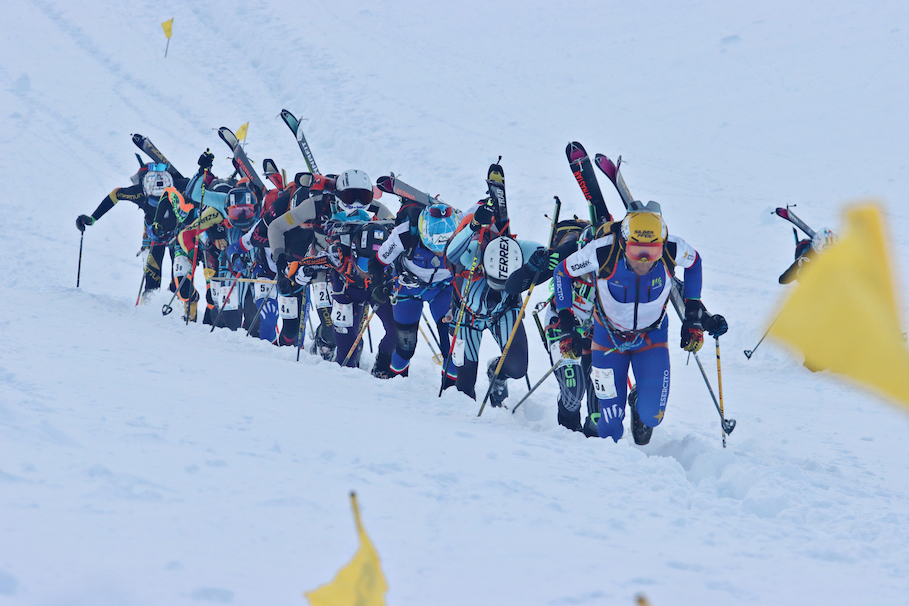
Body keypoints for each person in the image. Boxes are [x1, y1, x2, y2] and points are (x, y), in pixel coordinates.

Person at [553, 202, 726, 444]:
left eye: (653, 253)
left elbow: (694, 263)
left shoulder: (672, 248)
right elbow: (562, 272)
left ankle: (638, 401)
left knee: (653, 415)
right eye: (635, 252)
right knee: (609, 426)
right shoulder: (602, 251)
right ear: (624, 243)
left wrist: (693, 318)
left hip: (651, 339)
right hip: (607, 340)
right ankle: (607, 466)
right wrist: (566, 324)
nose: (643, 262)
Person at [268, 169, 397, 361]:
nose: (356, 204)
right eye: (349, 197)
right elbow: (276, 226)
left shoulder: (375, 209)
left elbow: (396, 232)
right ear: (337, 194)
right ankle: (325, 343)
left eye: (364, 198)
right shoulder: (317, 204)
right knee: (331, 327)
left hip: (356, 270)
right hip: (322, 265)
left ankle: (349, 354)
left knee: (353, 328)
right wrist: (280, 261)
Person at [505, 219, 600, 436]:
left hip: (599, 331)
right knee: (573, 395)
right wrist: (532, 267)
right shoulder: (571, 256)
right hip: (563, 324)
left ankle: (595, 445)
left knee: (600, 404)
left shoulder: (620, 263)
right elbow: (512, 286)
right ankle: (568, 434)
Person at [443, 197, 542, 405]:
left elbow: (548, 256)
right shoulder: (471, 252)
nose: (497, 285)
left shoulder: (518, 248)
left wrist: (538, 264)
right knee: (465, 383)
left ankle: (497, 374)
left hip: (503, 311)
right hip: (467, 315)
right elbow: (450, 254)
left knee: (517, 368)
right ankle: (464, 422)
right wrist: (473, 225)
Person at [76, 160, 189, 299]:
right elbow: (115, 195)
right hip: (153, 235)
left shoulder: (178, 188)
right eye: (154, 200)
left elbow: (115, 194)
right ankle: (149, 307)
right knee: (152, 283)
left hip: (177, 234)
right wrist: (93, 218)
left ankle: (175, 303)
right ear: (145, 190)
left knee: (179, 282)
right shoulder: (139, 192)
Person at [373, 201, 460, 379]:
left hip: (443, 289)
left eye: (447, 245)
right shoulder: (404, 234)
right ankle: (395, 383)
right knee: (406, 348)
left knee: (452, 347)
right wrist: (378, 285)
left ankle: (451, 392)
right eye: (434, 245)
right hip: (408, 289)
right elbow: (377, 262)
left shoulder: (462, 230)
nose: (440, 252)